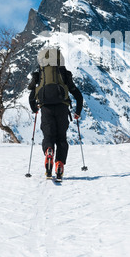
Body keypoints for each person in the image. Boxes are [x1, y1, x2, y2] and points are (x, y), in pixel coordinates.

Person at [28, 47, 83, 180]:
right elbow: (78, 95)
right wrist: (78, 112)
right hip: (62, 108)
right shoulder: (64, 73)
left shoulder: (40, 74)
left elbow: (31, 96)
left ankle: (48, 151)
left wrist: (34, 108)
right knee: (61, 139)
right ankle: (59, 163)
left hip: (46, 107)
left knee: (48, 136)